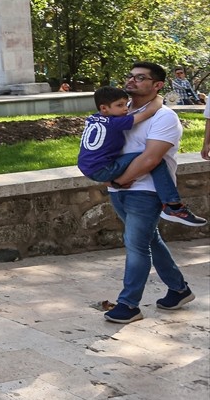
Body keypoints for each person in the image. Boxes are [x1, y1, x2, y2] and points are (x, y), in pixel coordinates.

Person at [101, 63, 197, 324]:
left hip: (145, 191)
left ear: (157, 85)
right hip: (118, 189)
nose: (131, 81)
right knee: (150, 240)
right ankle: (179, 289)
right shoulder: (122, 110)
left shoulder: (164, 117)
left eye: (140, 78)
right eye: (130, 76)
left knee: (136, 246)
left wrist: (120, 180)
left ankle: (129, 304)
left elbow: (151, 159)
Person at [78, 88, 205, 226]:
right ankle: (172, 205)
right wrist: (158, 98)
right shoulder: (115, 123)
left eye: (126, 104)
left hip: (87, 166)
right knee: (152, 158)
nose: (126, 109)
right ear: (104, 108)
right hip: (103, 169)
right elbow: (149, 112)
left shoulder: (93, 118)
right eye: (120, 105)